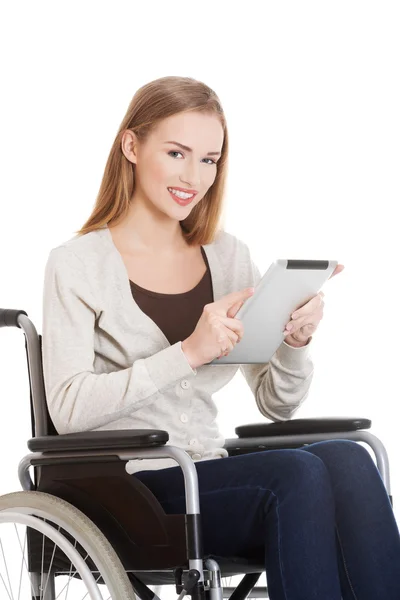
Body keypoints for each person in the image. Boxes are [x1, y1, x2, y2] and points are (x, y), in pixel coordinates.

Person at [42, 75, 400, 599]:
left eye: (209, 159)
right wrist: (189, 353)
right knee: (296, 475)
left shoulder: (229, 257)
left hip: (204, 475)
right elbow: (67, 408)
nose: (195, 175)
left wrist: (294, 344)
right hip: (127, 487)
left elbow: (276, 405)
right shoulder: (77, 265)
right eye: (177, 153)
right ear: (132, 146)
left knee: (347, 457)